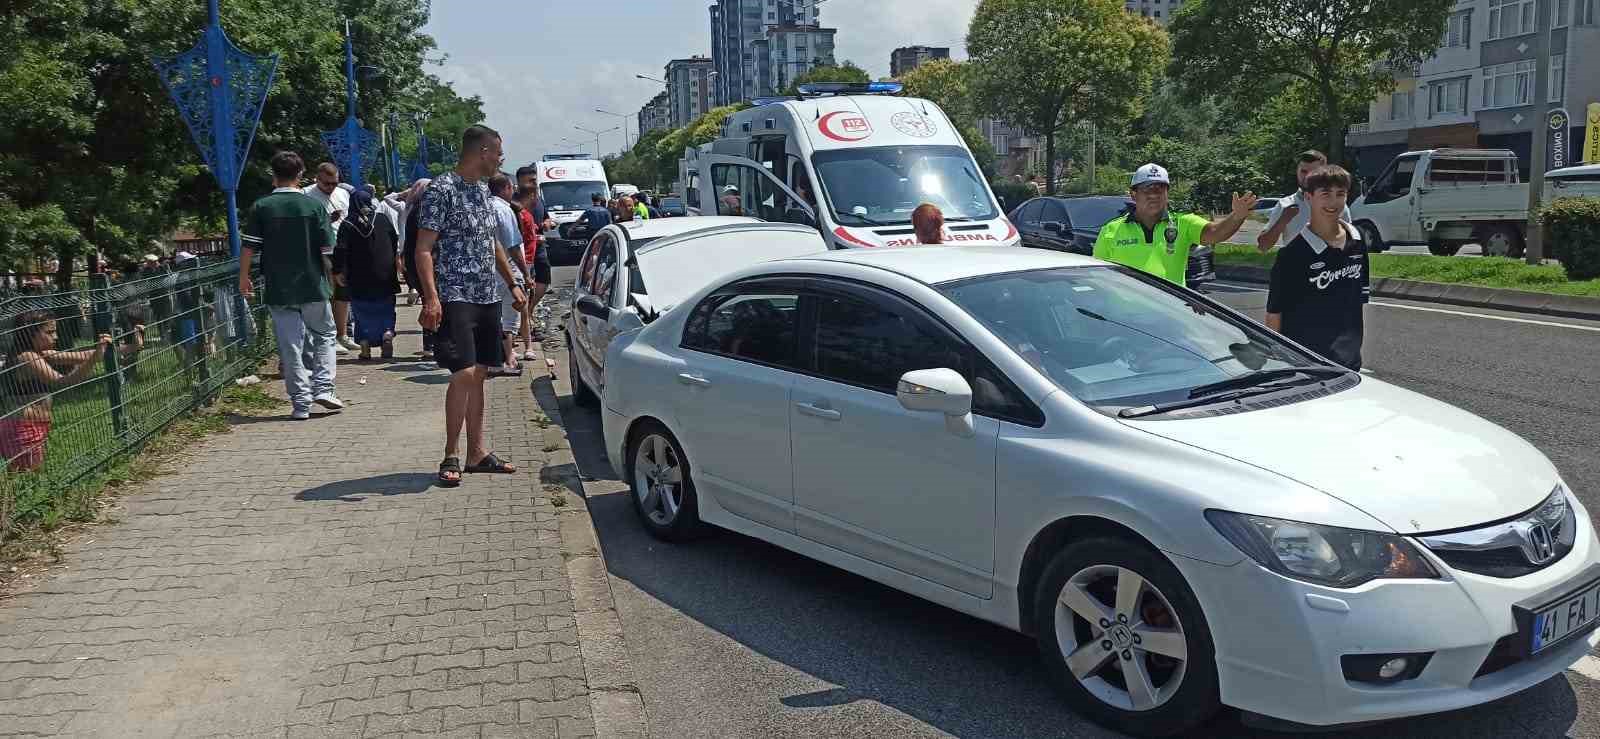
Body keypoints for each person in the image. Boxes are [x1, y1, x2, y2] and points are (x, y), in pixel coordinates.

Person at [414, 125, 527, 487]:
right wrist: (431, 296)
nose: (499, 160)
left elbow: (489, 240)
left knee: (480, 373)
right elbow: (423, 249)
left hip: (487, 294)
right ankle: (450, 452)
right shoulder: (441, 190)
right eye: (498, 154)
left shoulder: (481, 191)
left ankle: (476, 454)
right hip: (455, 293)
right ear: (482, 151)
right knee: (462, 372)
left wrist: (512, 282)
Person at [240, 150, 344, 420]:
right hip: (312, 283)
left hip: (278, 286)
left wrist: (243, 277)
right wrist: (333, 277)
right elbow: (327, 250)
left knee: (290, 344)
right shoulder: (314, 207)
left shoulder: (262, 207)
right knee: (323, 335)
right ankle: (323, 387)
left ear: (273, 175)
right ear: (301, 176)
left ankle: (300, 403)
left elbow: (249, 247)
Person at [1265, 165, 1370, 371]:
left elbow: (1358, 302)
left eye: (1340, 194)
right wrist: (1277, 363)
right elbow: (1274, 314)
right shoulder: (1291, 255)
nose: (1334, 202)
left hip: (1349, 363)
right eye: (1325, 194)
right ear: (1308, 197)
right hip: (1305, 365)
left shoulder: (1357, 241)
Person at [1092, 164, 1257, 288]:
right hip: (1124, 318)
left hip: (1169, 315)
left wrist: (1237, 217)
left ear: (1167, 194)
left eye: (1160, 190)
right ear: (1133, 194)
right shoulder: (1111, 230)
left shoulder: (1182, 222)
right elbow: (1098, 277)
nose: (1154, 196)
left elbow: (1214, 233)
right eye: (1147, 190)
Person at [0, 312, 128, 471]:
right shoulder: (27, 357)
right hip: (21, 429)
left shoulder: (40, 353)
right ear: (29, 333)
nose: (56, 337)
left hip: (32, 426)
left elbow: (83, 355)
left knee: (31, 475)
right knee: (27, 476)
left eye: (55, 331)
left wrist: (128, 347)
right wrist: (95, 359)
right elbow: (63, 381)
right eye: (49, 332)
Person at [333, 188, 402, 361]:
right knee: (386, 306)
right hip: (384, 273)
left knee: (361, 310)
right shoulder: (383, 219)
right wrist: (396, 261)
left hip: (358, 275)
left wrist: (338, 270)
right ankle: (387, 333)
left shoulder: (347, 223)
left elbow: (340, 248)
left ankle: (365, 347)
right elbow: (394, 242)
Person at [302, 162, 357, 354]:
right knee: (326, 292)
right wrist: (327, 220)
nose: (331, 187)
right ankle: (328, 336)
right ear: (317, 179)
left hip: (341, 248)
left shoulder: (342, 194)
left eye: (334, 183)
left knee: (343, 293)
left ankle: (342, 335)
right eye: (327, 184)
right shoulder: (306, 194)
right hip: (319, 249)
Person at [1257, 150, 1354, 253]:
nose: (1307, 176)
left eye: (1314, 172)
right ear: (1297, 171)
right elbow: (1263, 246)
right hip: (1297, 267)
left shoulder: (1336, 205)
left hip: (1330, 267)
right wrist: (1283, 219)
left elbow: (1350, 244)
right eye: (1303, 171)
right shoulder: (1285, 204)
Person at [487, 172, 528, 377]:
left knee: (493, 317)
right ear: (506, 188)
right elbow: (512, 247)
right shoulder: (505, 210)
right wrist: (525, 273)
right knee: (510, 318)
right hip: (507, 273)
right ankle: (507, 358)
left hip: (485, 274)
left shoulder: (483, 207)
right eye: (511, 187)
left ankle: (495, 358)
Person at [513, 183, 551, 356]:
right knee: (522, 307)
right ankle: (526, 346)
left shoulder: (521, 213)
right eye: (535, 196)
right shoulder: (522, 214)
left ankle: (516, 341)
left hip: (524, 260)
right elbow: (519, 239)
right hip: (524, 262)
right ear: (531, 196)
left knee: (522, 306)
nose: (537, 200)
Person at [399, 178, 436, 356]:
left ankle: (429, 344)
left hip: (414, 263)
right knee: (432, 300)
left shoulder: (412, 209)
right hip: (426, 262)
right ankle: (433, 343)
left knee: (427, 300)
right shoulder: (426, 210)